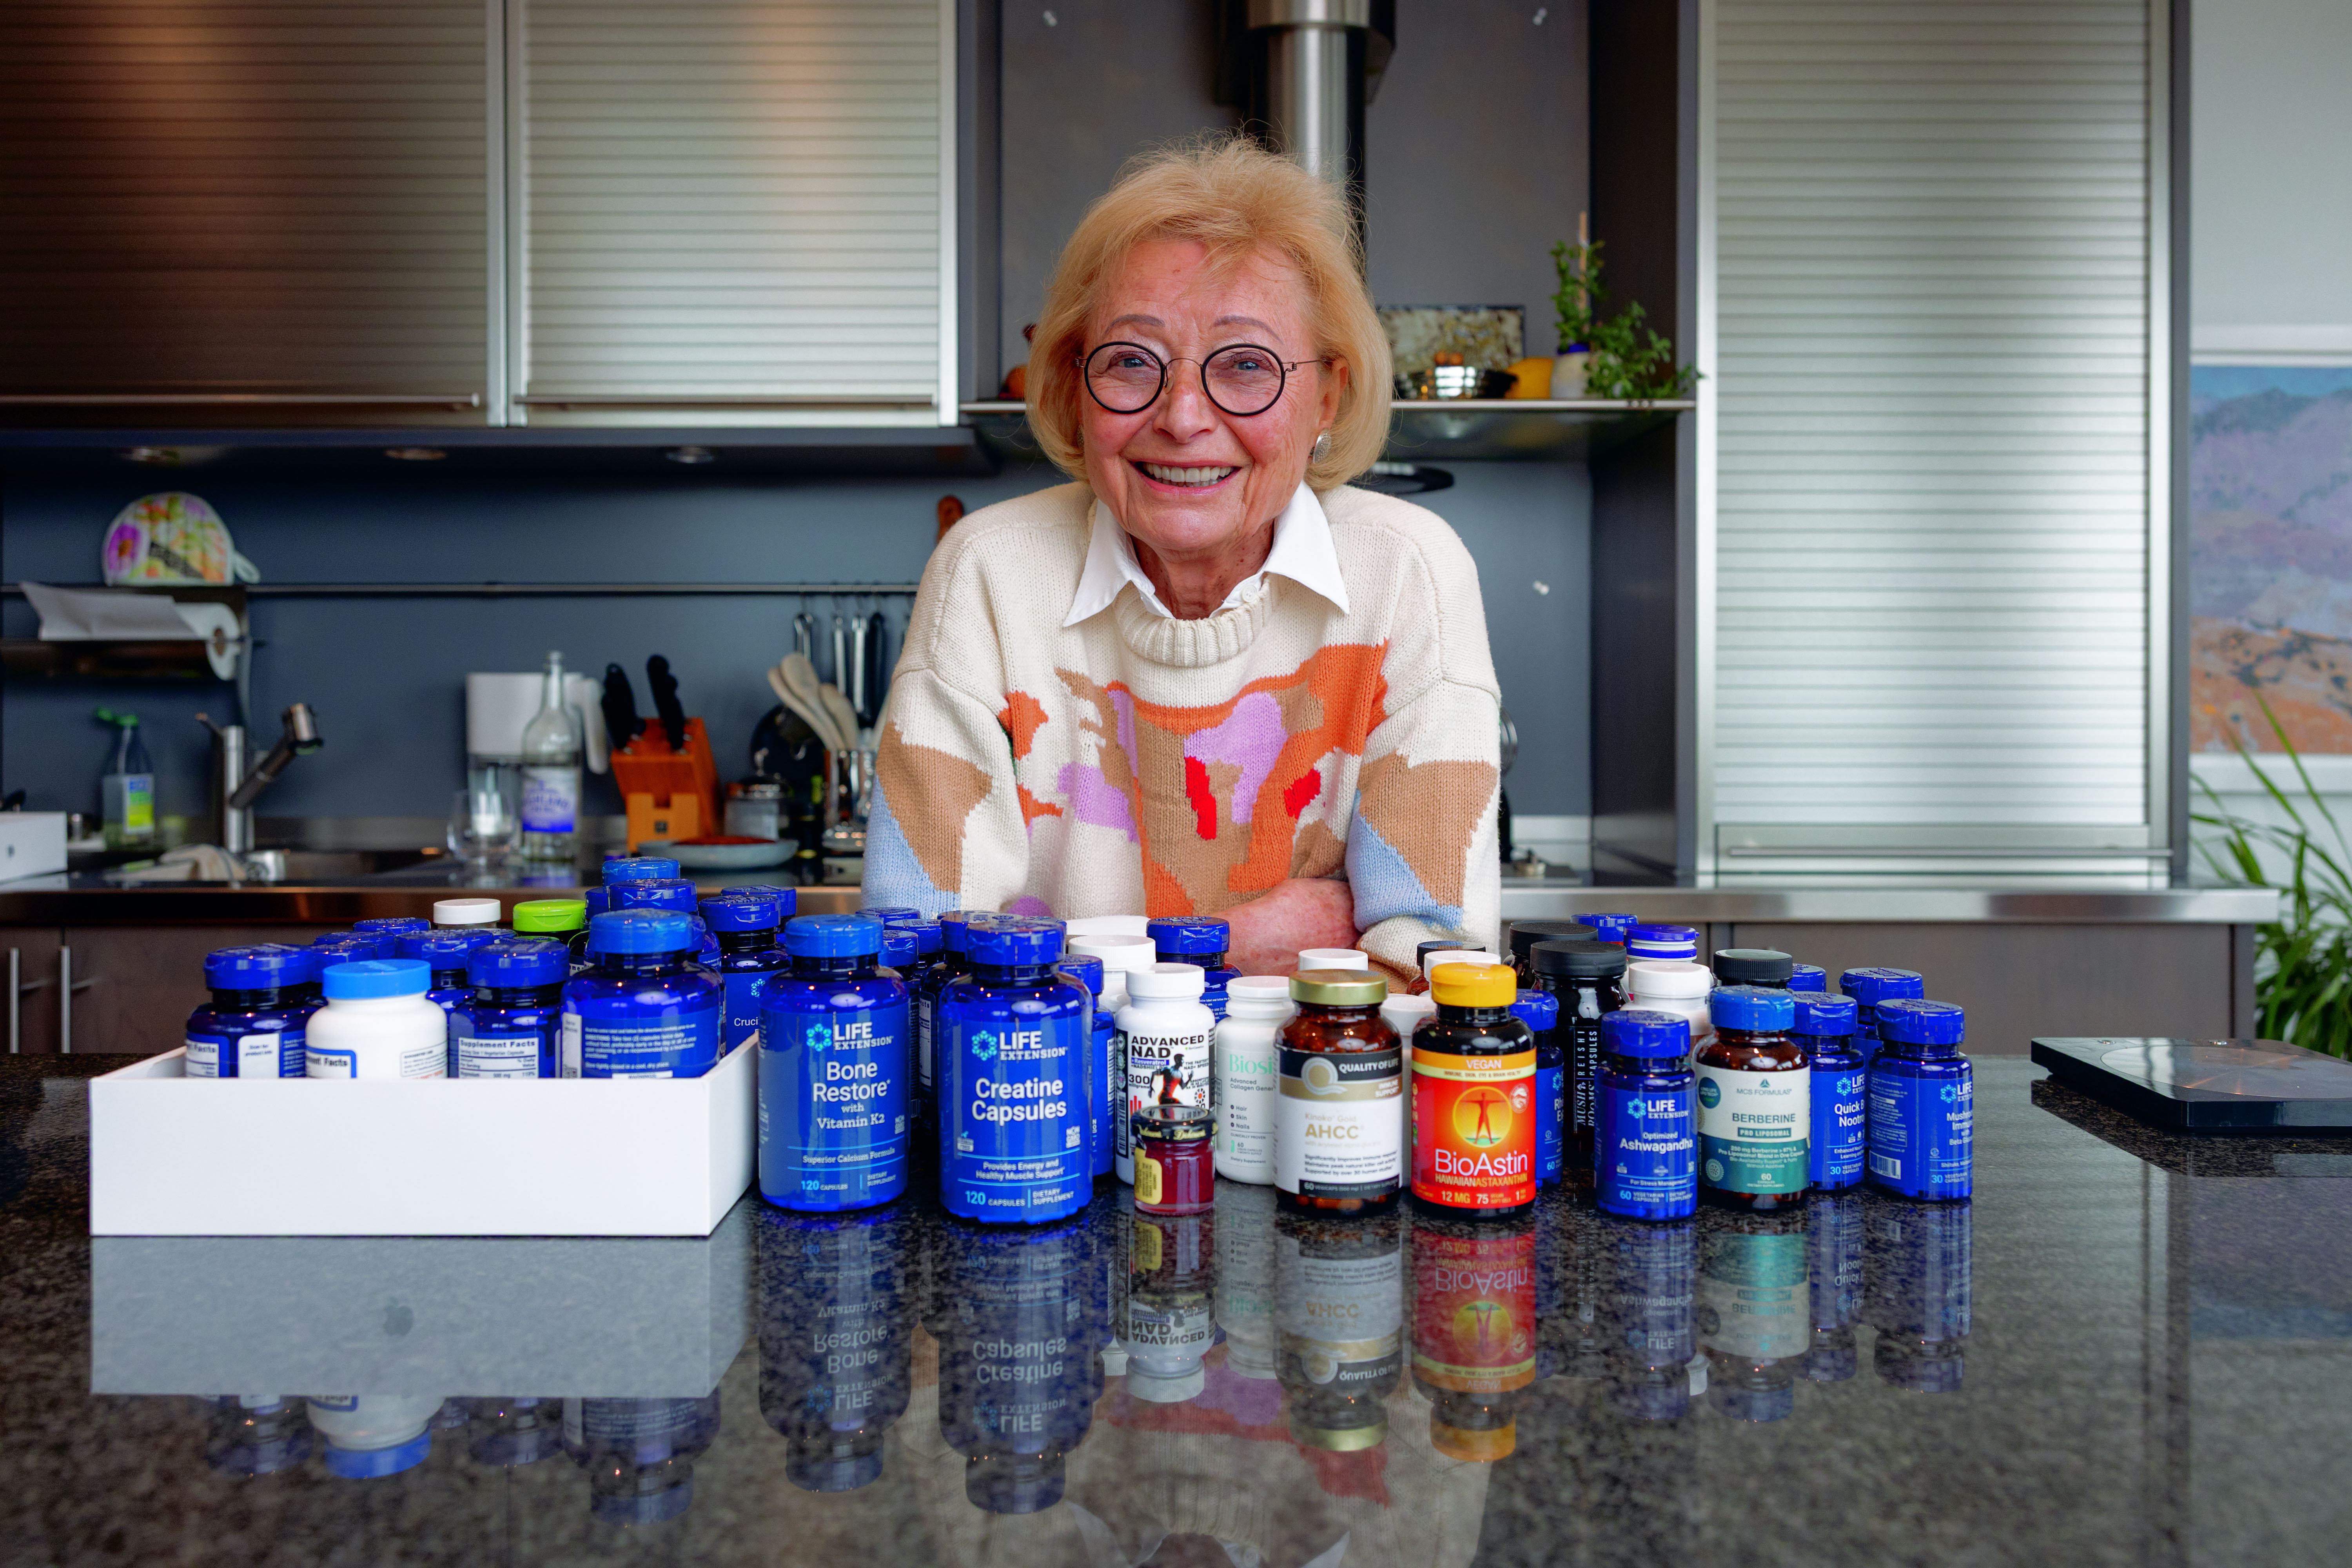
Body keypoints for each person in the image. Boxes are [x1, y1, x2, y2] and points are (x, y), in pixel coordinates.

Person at [863, 136, 1501, 979]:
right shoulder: (987, 573)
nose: (1185, 416)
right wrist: (1231, 945)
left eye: (1246, 366)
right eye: (1133, 363)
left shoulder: (1407, 573)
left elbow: (1434, 971)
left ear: (1329, 397)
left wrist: (1083, 961)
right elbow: (922, 971)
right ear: (1071, 383)